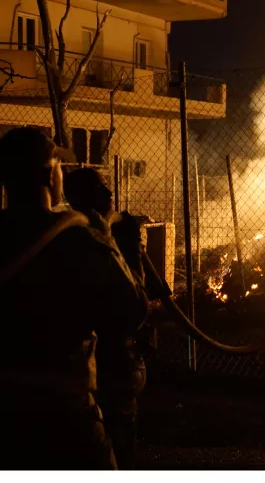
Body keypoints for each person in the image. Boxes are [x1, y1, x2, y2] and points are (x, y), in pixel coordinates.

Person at [0, 127, 148, 469]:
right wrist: (110, 241)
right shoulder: (78, 241)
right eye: (58, 166)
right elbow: (132, 311)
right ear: (50, 175)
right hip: (64, 416)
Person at [65, 167, 167, 470]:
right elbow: (135, 305)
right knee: (115, 441)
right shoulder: (98, 238)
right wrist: (131, 244)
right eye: (101, 187)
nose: (110, 192)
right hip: (111, 363)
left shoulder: (67, 233)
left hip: (96, 364)